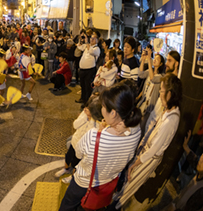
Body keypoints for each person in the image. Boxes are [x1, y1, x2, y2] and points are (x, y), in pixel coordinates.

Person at [59, 83, 142, 211]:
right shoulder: (136, 130)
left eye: (103, 106)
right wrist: (108, 128)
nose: (101, 110)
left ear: (113, 113)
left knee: (67, 206)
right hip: (107, 183)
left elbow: (78, 154)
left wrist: (102, 131)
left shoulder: (93, 136)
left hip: (83, 183)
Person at [115, 74, 182, 209]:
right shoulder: (169, 111)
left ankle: (116, 206)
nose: (160, 95)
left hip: (149, 158)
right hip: (146, 152)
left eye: (161, 91)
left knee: (131, 183)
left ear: (169, 94)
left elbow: (154, 149)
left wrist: (135, 164)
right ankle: (117, 200)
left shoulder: (171, 120)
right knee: (128, 181)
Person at [55, 95, 102, 183]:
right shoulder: (84, 114)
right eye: (86, 106)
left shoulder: (98, 122)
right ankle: (66, 169)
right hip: (75, 140)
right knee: (68, 156)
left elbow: (91, 134)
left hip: (83, 147)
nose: (85, 109)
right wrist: (85, 118)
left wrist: (91, 119)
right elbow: (75, 125)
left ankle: (73, 176)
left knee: (77, 163)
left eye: (89, 108)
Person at [165, 130, 203, 211]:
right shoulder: (201, 172)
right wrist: (186, 147)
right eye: (202, 156)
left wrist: (174, 209)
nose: (200, 160)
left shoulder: (201, 192)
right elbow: (195, 161)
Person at [136, 48, 165, 117]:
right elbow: (140, 74)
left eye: (157, 59)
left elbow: (153, 79)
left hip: (151, 107)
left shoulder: (162, 76)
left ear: (161, 64)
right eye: (154, 58)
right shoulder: (150, 71)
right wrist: (143, 59)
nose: (154, 60)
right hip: (143, 102)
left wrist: (149, 60)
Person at [76, 32, 100, 104]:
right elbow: (79, 46)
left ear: (97, 40)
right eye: (91, 38)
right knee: (82, 85)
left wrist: (86, 42)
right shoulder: (87, 45)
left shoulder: (97, 48)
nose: (91, 40)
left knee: (87, 86)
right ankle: (82, 98)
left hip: (89, 70)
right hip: (82, 69)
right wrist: (80, 39)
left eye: (93, 38)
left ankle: (87, 102)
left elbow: (91, 51)